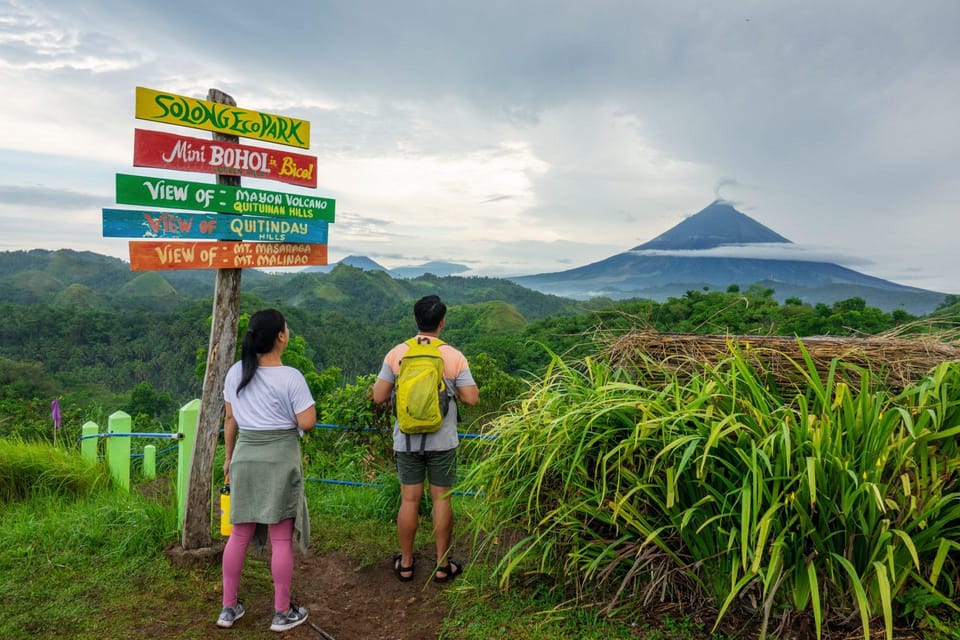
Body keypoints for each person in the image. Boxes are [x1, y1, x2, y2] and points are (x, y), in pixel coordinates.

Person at [217, 309, 316, 632]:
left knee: (239, 534)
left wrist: (229, 459)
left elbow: (230, 420)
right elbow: (307, 422)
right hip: (280, 458)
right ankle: (281, 612)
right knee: (281, 538)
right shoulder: (291, 377)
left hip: (245, 454)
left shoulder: (236, 373)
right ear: (280, 337)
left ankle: (228, 608)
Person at [373, 295, 479, 583]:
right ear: (442, 322)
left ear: (415, 320)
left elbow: (379, 395)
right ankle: (443, 566)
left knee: (409, 499)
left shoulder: (397, 353)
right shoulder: (453, 356)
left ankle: (406, 564)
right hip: (442, 441)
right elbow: (471, 397)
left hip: (406, 439)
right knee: (441, 500)